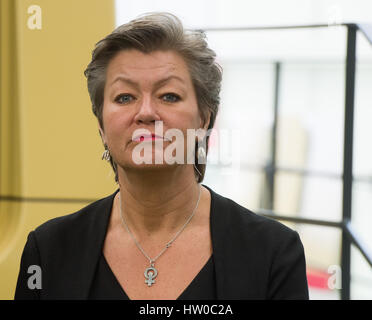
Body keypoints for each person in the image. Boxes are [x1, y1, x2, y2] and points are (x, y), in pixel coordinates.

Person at [14, 12, 308, 300]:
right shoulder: (49, 250)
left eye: (169, 96)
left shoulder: (273, 253)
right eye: (124, 97)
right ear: (102, 126)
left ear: (204, 118)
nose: (145, 113)